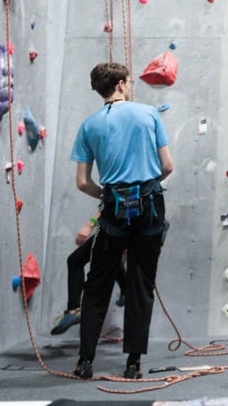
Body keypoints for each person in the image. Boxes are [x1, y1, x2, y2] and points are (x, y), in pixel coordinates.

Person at [70, 62, 173, 380]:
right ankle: (133, 364)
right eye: (129, 81)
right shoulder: (148, 114)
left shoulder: (88, 126)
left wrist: (109, 195)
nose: (131, 85)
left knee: (97, 284)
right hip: (148, 207)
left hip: (114, 207)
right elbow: (167, 166)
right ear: (119, 84)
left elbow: (83, 183)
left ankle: (85, 361)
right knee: (141, 285)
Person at [50, 212, 127, 335]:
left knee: (76, 260)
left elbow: (109, 203)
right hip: (120, 227)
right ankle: (126, 289)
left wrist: (89, 225)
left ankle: (73, 310)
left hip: (116, 228)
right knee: (111, 254)